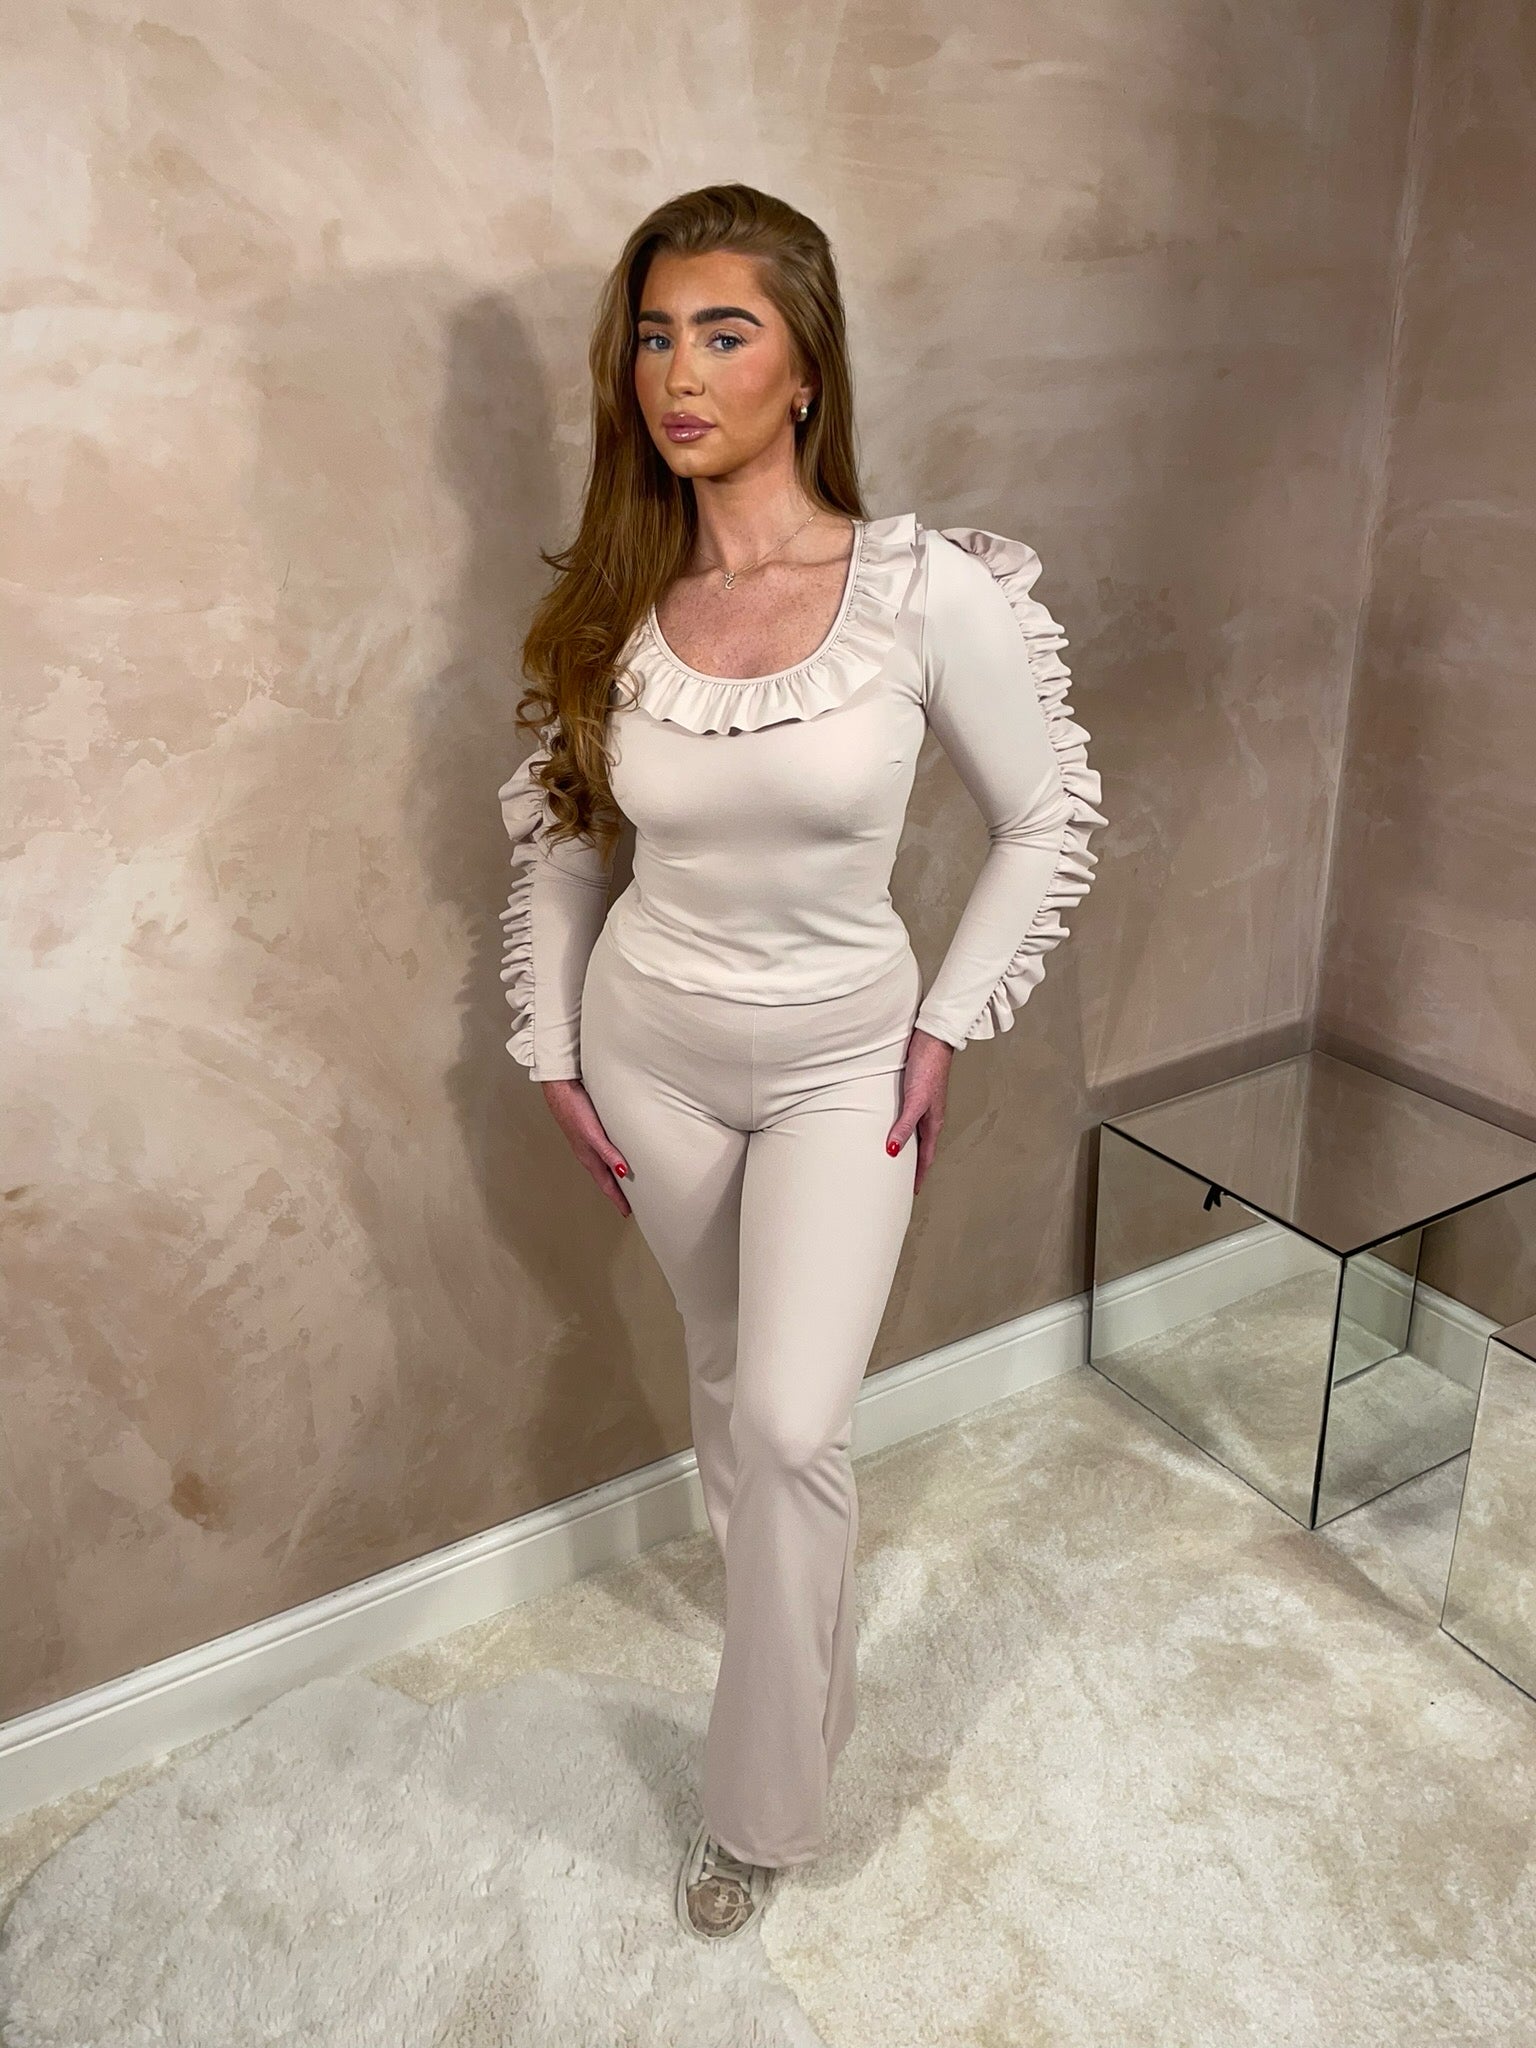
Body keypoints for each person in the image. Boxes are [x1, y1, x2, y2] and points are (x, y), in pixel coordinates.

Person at [496, 183, 1107, 1944]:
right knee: (723, 1382)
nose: (678, 373)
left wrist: (944, 1025)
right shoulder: (620, 601)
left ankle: (758, 1803)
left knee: (787, 1421)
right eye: (653, 336)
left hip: (847, 1061)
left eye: (724, 331)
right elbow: (566, 844)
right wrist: (553, 1046)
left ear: (808, 369)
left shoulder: (923, 589)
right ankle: (788, 1643)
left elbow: (1044, 814)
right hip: (653, 1054)